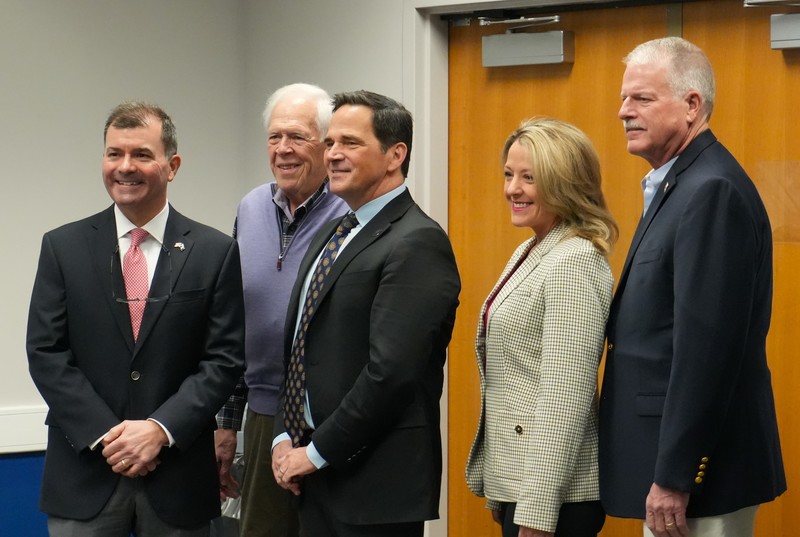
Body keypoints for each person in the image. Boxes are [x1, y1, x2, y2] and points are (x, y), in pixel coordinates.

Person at [26, 101, 246, 537]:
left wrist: (160, 430)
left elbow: (224, 359)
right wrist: (108, 435)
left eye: (142, 154)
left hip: (177, 477)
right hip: (86, 470)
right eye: (114, 154)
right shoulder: (62, 247)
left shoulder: (214, 252)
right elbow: (46, 352)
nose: (125, 167)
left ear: (172, 165)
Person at [599, 37, 786, 537]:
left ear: (691, 105)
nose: (623, 112)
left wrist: (677, 475)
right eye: (623, 99)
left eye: (641, 99)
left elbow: (708, 349)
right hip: (671, 467)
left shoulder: (711, 190)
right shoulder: (679, 182)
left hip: (699, 479)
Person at [271, 90, 461, 537]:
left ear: (396, 155)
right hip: (312, 477)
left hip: (373, 488)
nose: (332, 155)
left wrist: (316, 452)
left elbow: (390, 373)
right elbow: (300, 346)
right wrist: (286, 437)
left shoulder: (416, 241)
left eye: (349, 143)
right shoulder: (340, 231)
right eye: (330, 142)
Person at [465, 118, 617, 537]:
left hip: (556, 499)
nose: (512, 189)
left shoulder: (574, 260)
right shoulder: (532, 248)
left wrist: (537, 507)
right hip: (522, 484)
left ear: (565, 182)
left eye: (529, 178)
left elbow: (564, 395)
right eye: (509, 175)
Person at [214, 83, 348, 536]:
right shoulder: (250, 208)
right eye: (275, 137)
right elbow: (234, 323)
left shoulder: (350, 214)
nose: (283, 150)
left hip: (329, 417)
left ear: (327, 145)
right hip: (262, 413)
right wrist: (227, 423)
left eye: (297, 137)